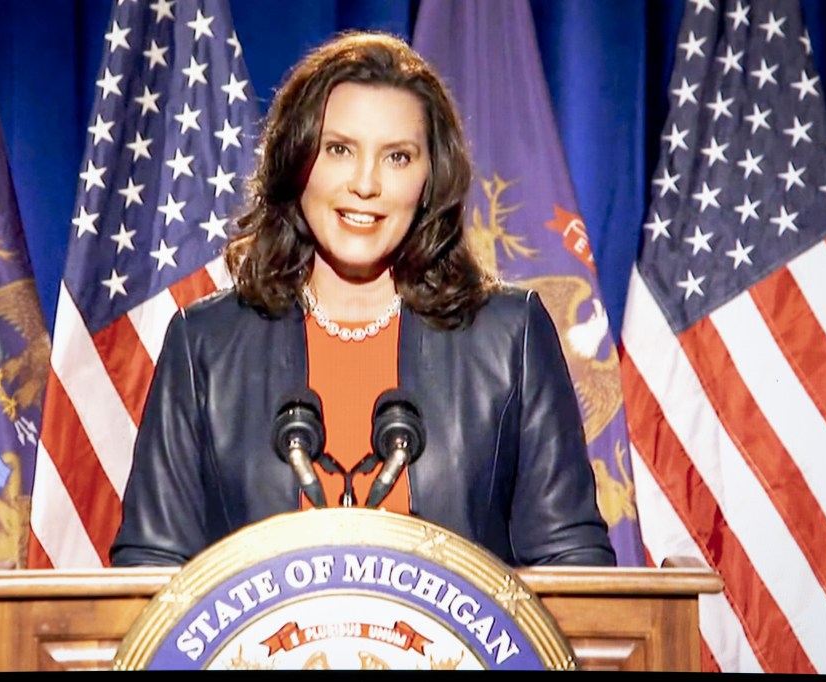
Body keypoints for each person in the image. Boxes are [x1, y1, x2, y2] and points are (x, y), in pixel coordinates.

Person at [110, 31, 615, 568]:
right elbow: (151, 574)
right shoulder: (205, 345)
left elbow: (574, 571)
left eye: (397, 157)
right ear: (297, 161)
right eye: (339, 150)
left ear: (430, 178)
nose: (365, 184)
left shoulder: (509, 337)